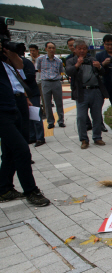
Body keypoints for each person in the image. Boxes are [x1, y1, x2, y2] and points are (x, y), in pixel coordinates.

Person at [0, 34, 50, 206]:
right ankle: (31, 190)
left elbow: (20, 68)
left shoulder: (6, 59)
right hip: (2, 110)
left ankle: (4, 189)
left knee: (9, 151)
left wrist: (10, 53)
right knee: (21, 150)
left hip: (16, 103)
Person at [65, 39, 108, 149]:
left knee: (97, 116)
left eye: (84, 48)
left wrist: (99, 66)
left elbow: (102, 72)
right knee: (81, 117)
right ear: (75, 50)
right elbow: (69, 71)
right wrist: (77, 65)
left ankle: (97, 137)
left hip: (95, 91)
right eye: (79, 48)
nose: (82, 51)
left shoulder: (92, 59)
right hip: (82, 92)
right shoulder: (71, 60)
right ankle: (84, 139)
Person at [19, 45, 44, 146]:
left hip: (31, 93)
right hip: (23, 94)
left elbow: (30, 77)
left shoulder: (25, 62)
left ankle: (40, 137)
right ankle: (32, 136)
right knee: (28, 116)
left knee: (35, 115)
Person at [36, 42, 64, 129]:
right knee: (47, 103)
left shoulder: (59, 60)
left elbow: (60, 71)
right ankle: (50, 122)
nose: (51, 50)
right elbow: (39, 69)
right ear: (46, 49)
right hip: (45, 82)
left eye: (53, 48)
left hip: (56, 82)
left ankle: (61, 120)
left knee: (59, 102)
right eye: (49, 48)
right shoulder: (40, 59)